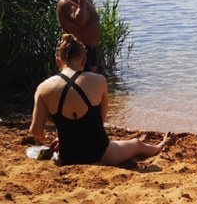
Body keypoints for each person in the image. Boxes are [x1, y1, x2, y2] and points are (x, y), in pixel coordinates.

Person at [30, 34, 173, 165]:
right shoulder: (99, 80)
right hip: (101, 154)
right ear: (84, 60)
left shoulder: (43, 88)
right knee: (136, 144)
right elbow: (100, 121)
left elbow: (36, 131)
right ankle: (159, 146)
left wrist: (59, 138)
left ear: (57, 61)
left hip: (67, 156)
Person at [57, 0, 101, 72]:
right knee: (80, 80)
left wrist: (82, 0)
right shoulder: (65, 3)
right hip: (76, 49)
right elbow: (81, 22)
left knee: (90, 79)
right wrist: (81, 1)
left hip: (90, 49)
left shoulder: (87, 1)